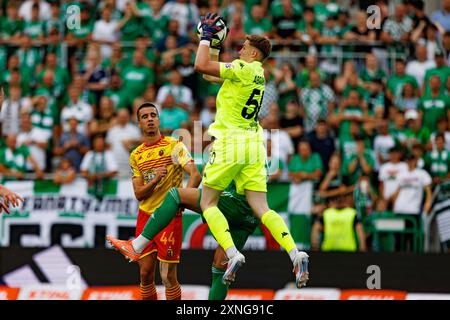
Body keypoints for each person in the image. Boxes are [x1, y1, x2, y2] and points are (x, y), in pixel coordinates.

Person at [108, 14, 309, 289]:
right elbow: (207, 73)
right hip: (254, 144)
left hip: (231, 143)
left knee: (207, 202)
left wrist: (205, 38)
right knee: (262, 207)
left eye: (243, 46)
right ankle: (295, 253)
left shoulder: (242, 67)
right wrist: (214, 44)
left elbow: (198, 64)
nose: (239, 49)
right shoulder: (258, 74)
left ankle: (219, 252)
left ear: (252, 52)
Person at [110, 102, 201, 300]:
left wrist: (183, 199)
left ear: (159, 120)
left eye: (153, 115)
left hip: (169, 219)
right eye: (145, 117)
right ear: (139, 124)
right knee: (145, 274)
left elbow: (195, 174)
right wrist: (156, 180)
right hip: (145, 217)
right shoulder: (136, 155)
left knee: (167, 276)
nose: (150, 119)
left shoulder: (174, 146)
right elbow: (139, 194)